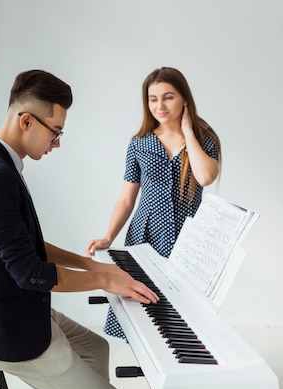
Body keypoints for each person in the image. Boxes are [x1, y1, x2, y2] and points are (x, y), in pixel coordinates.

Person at [0, 69, 159, 389]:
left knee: (95, 348)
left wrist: (91, 264)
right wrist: (107, 280)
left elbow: (26, 243)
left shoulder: (1, 166)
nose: (57, 143)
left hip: (13, 307)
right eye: (56, 132)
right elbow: (31, 274)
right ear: (27, 121)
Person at [86, 67, 222, 340]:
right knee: (144, 310)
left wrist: (188, 132)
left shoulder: (205, 141)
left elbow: (206, 177)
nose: (159, 105)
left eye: (168, 97)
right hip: (146, 236)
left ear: (185, 99)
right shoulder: (139, 144)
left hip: (188, 240)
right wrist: (108, 236)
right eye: (153, 99)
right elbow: (127, 198)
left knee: (183, 316)